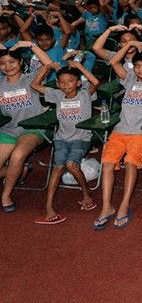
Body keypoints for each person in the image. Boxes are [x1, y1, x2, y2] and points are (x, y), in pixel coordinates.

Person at [93, 43, 142, 230]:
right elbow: (115, 61)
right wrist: (130, 45)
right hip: (120, 130)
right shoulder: (129, 79)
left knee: (131, 163)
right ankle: (107, 207)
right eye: (138, 66)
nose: (141, 69)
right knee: (107, 163)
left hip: (141, 133)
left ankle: (124, 205)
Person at [31, 60, 100, 224]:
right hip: (61, 138)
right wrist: (46, 67)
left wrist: (80, 67)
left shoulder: (85, 94)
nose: (66, 85)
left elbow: (96, 82)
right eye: (61, 82)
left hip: (81, 138)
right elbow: (35, 84)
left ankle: (87, 194)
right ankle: (49, 208)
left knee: (71, 164)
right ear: (57, 84)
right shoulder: (57, 95)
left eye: (70, 81)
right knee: (58, 167)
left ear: (78, 82)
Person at [0, 43, 54, 213]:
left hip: (32, 129)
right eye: (2, 63)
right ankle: (18, 171)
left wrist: (31, 45)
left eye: (12, 62)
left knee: (17, 155)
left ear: (20, 63)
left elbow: (48, 64)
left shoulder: (30, 79)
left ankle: (6, 195)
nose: (7, 66)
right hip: (8, 129)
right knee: (10, 163)